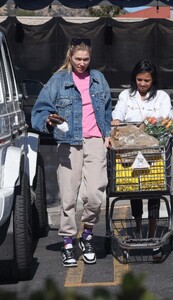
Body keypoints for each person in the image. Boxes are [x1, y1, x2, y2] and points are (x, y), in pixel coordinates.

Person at [31, 37, 112, 267]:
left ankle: (86, 236)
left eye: (86, 59)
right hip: (68, 142)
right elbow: (41, 108)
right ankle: (68, 242)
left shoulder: (98, 78)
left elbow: (107, 109)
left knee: (95, 193)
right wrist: (49, 119)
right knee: (68, 196)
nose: (82, 63)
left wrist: (107, 134)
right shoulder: (58, 80)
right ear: (70, 56)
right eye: (78, 59)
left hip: (96, 140)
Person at [111, 60, 173, 238]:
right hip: (131, 149)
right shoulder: (126, 95)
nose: (143, 84)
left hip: (153, 152)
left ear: (153, 81)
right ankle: (138, 227)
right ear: (134, 79)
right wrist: (116, 120)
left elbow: (165, 118)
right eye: (139, 80)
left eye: (147, 80)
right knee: (134, 188)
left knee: (153, 189)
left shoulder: (161, 97)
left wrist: (153, 124)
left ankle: (153, 231)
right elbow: (118, 112)